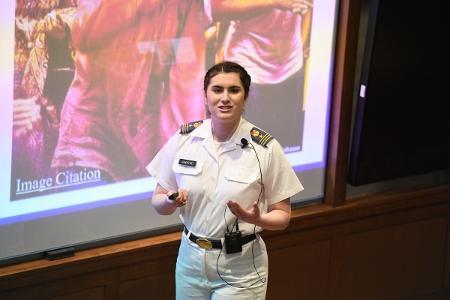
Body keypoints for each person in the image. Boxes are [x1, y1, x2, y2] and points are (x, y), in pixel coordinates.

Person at [146, 61, 303, 299]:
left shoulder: (265, 148)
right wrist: (170, 200)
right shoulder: (184, 138)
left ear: (246, 96)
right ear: (205, 96)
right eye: (217, 90)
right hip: (190, 262)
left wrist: (258, 218)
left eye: (234, 90)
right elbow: (158, 200)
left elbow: (283, 216)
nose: (225, 98)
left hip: (240, 268)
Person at [51, 0, 208, 182]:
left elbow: (187, 85)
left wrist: (187, 158)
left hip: (143, 143)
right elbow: (83, 35)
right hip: (90, 135)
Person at [210, 0, 313, 149]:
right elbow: (218, 9)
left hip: (291, 67)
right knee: (244, 151)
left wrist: (302, 44)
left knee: (281, 149)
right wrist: (273, 3)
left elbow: (308, 5)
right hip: (248, 66)